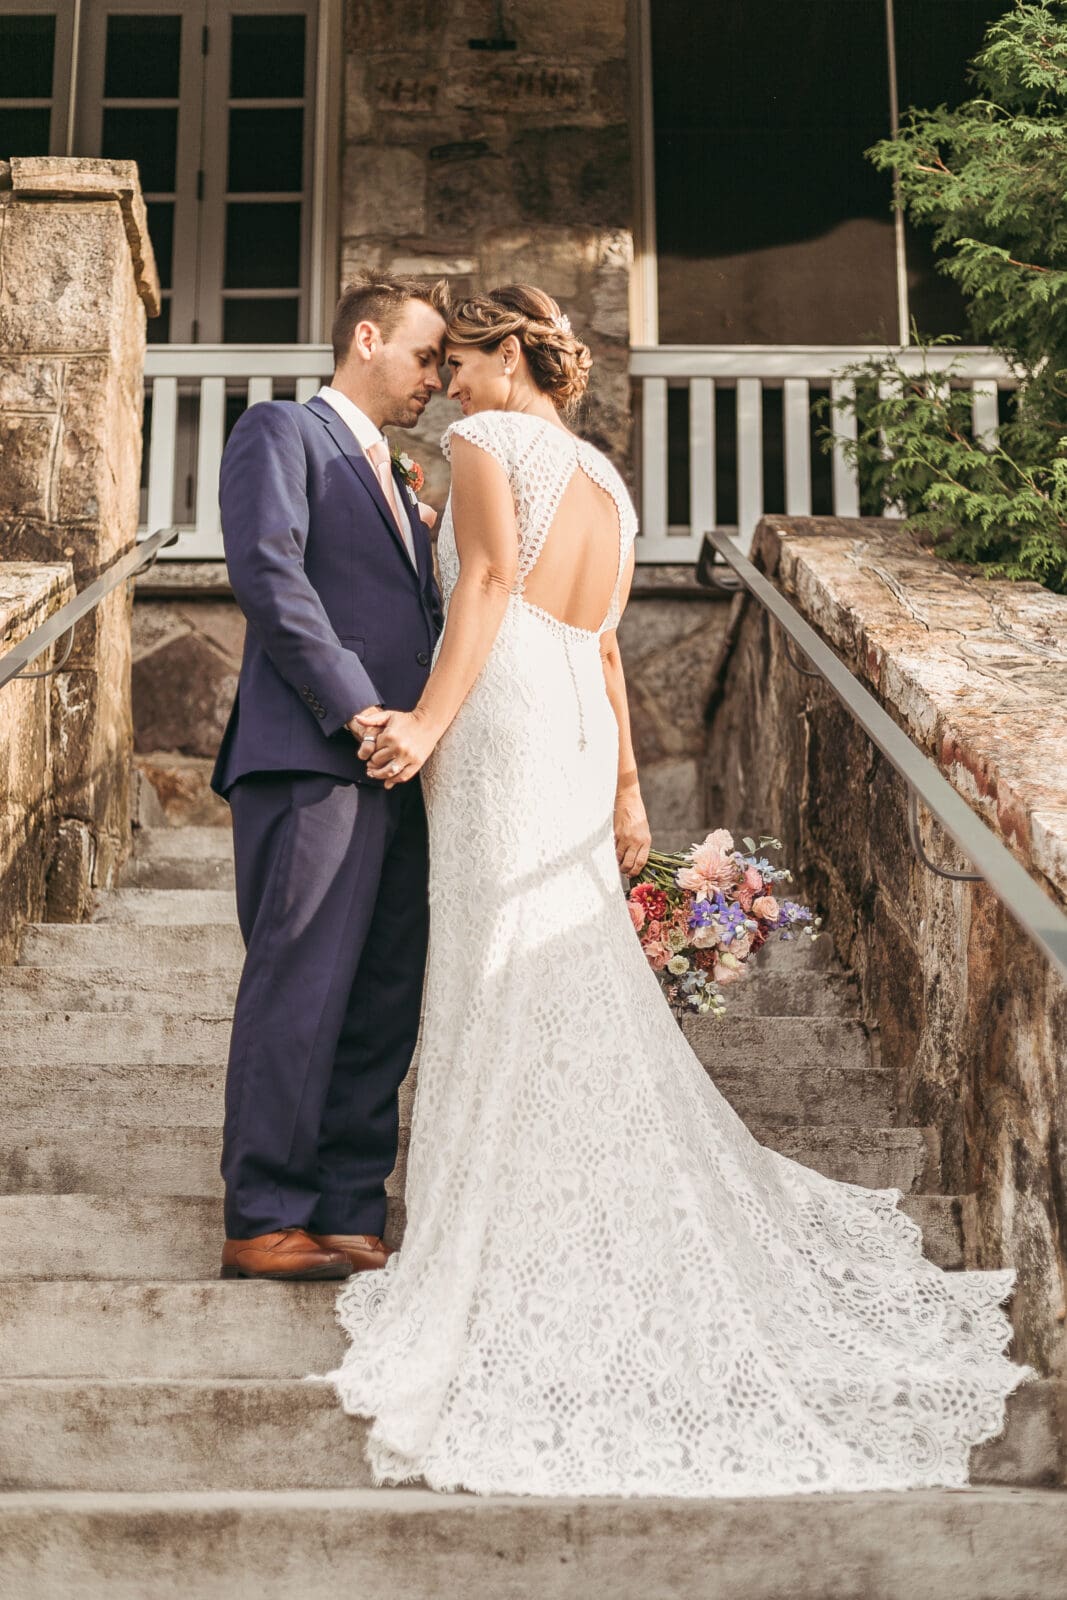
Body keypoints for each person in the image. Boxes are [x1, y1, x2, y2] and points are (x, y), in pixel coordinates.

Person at [321, 283, 1030, 1497]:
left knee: (494, 952)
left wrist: (427, 726)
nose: (446, 383)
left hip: (495, 718)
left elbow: (485, 589)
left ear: (506, 357)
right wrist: (629, 803)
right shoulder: (605, 479)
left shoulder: (487, 443)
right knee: (549, 950)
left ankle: (502, 1224)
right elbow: (599, 643)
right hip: (572, 733)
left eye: (463, 360)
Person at [212, 275, 447, 1282]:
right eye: (426, 354)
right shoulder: (280, 433)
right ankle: (262, 1210)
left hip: (403, 768)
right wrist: (358, 708)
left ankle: (350, 1206)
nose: (437, 378)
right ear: (364, 338)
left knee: (383, 992)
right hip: (314, 752)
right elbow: (270, 572)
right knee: (299, 981)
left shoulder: (402, 480)